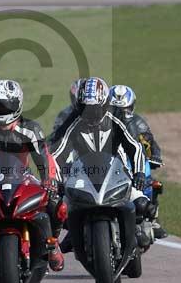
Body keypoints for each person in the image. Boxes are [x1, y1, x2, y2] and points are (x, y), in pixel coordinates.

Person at [0, 79, 65, 271]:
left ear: (17, 105)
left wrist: (48, 181)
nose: (1, 111)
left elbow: (44, 157)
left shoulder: (31, 128)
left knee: (55, 204)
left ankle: (53, 243)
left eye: (5, 106)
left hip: (23, 177)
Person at [51, 77, 155, 249]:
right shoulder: (71, 122)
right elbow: (57, 152)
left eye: (95, 108)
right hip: (83, 174)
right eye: (86, 108)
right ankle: (69, 238)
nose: (90, 113)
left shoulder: (117, 117)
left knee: (142, 204)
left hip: (117, 172)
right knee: (58, 208)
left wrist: (139, 173)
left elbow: (134, 146)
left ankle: (135, 232)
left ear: (105, 104)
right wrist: (55, 179)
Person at [109, 84, 167, 239]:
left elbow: (150, 142)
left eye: (125, 109)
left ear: (131, 106)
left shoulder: (139, 123)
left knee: (152, 183)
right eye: (115, 108)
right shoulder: (102, 124)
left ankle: (153, 219)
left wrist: (155, 156)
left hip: (135, 160)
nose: (121, 113)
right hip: (111, 163)